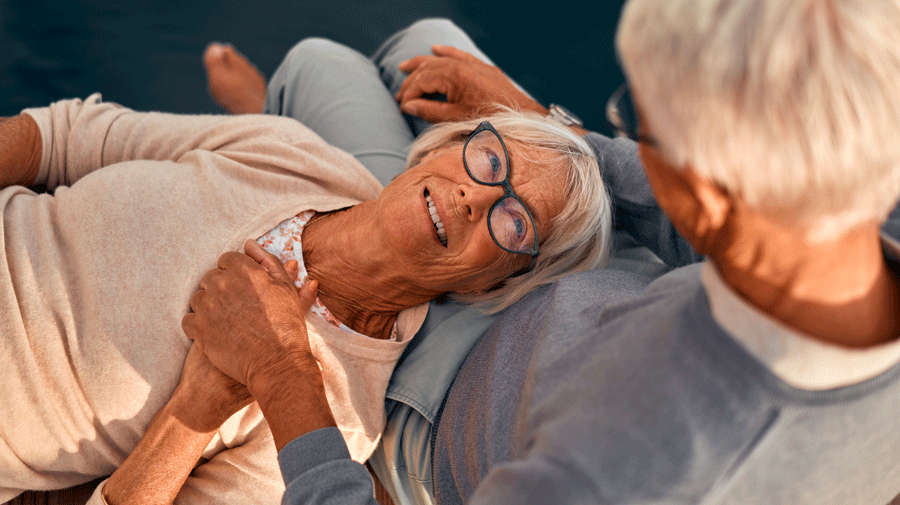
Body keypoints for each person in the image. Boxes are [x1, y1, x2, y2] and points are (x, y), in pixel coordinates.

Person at [182, 1, 900, 503]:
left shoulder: (608, 469)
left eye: (637, 117)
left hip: (455, 389)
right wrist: (545, 128)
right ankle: (296, 123)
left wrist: (282, 374)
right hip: (613, 293)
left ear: (712, 194)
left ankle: (274, 118)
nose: (627, 136)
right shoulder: (857, 236)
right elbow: (704, 227)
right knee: (427, 43)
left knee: (317, 65)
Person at [0, 60, 611, 505]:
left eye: (514, 220)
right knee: (323, 58)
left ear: (496, 281)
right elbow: (66, 136)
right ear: (443, 148)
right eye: (490, 161)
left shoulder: (334, 420)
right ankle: (257, 96)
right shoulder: (294, 151)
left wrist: (202, 401)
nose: (474, 198)